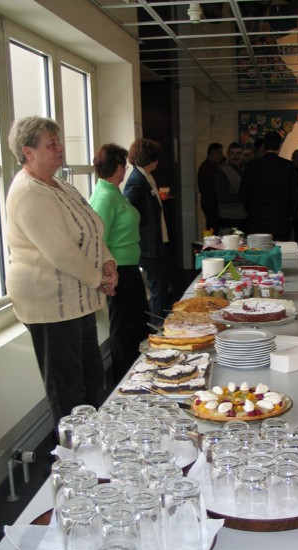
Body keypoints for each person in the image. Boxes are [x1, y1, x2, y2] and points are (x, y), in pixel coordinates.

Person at [5, 116, 118, 428]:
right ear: (28, 152)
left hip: (78, 300)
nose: (60, 148)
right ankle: (74, 454)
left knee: (92, 379)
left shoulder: (60, 185)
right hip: (50, 305)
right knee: (68, 392)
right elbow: (61, 251)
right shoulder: (29, 192)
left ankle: (96, 444)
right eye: (51, 144)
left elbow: (93, 228)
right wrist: (99, 280)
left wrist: (107, 261)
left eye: (58, 141)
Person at [89, 143, 149, 384]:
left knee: (138, 323)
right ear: (116, 168)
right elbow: (97, 241)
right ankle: (124, 381)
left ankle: (139, 373)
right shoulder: (104, 197)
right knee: (124, 328)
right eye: (123, 165)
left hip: (129, 268)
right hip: (118, 271)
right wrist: (106, 276)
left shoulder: (113, 192)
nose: (125, 170)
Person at [123, 138, 187, 323]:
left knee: (178, 281)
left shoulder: (147, 177)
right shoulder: (136, 181)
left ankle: (164, 319)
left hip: (158, 243)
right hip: (148, 246)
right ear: (149, 158)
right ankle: (157, 327)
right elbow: (129, 212)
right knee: (159, 288)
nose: (158, 161)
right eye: (156, 158)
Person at [240, 131, 298, 241]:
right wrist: (290, 214)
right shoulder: (288, 166)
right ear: (280, 146)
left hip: (257, 219)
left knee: (259, 249)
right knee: (280, 249)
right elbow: (296, 194)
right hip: (281, 219)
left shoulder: (251, 166)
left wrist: (252, 212)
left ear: (264, 146)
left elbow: (243, 194)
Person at [214, 142, 248, 235]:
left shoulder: (245, 169)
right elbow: (222, 196)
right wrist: (244, 196)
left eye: (238, 153)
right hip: (228, 218)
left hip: (243, 216)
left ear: (242, 155)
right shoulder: (222, 171)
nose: (236, 156)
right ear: (228, 155)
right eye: (232, 154)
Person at [197, 142, 223, 230]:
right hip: (211, 202)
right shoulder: (210, 168)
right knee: (214, 227)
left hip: (208, 201)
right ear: (214, 153)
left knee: (212, 226)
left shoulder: (206, 166)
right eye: (220, 153)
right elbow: (215, 187)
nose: (221, 156)